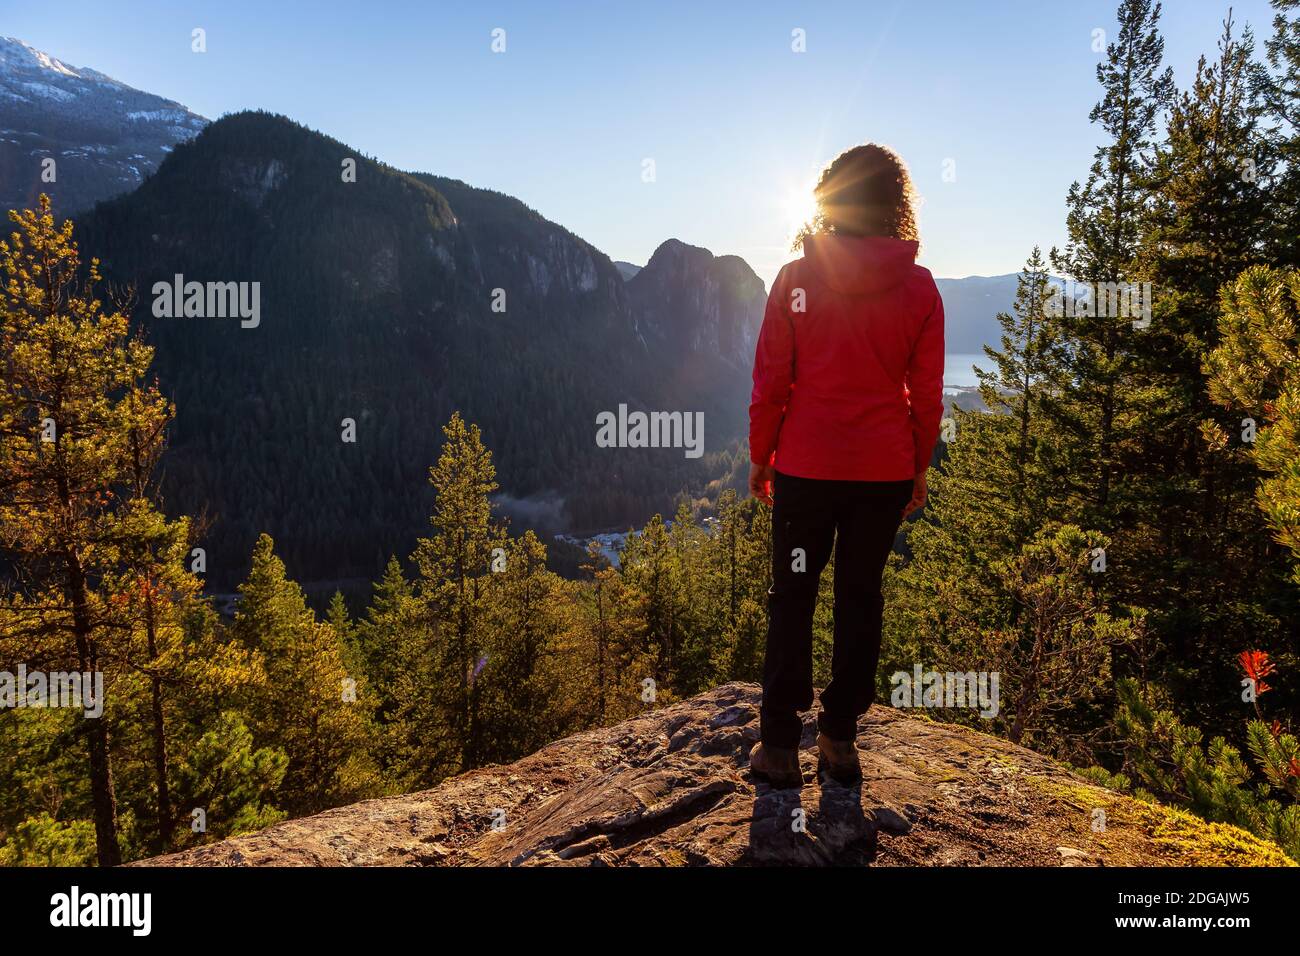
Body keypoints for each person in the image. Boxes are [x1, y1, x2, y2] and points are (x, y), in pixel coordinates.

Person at [747, 144, 944, 788]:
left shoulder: (795, 279)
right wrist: (917, 465)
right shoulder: (919, 288)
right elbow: (927, 394)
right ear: (895, 204)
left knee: (792, 595)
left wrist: (761, 456)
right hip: (881, 474)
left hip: (805, 469)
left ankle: (780, 745)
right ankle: (838, 738)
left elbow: (771, 381)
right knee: (860, 597)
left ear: (830, 197)